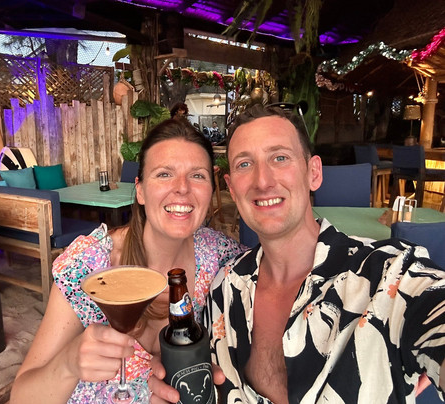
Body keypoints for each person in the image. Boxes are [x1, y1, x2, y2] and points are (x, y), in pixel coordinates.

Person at [150, 104, 445, 403]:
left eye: (280, 158)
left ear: (313, 173)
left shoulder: (389, 276)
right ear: (231, 189)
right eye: (244, 164)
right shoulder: (223, 291)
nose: (262, 181)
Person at [9, 118, 246, 403]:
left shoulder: (220, 255)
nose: (182, 188)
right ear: (141, 191)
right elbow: (21, 397)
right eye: (164, 174)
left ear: (212, 189)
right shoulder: (90, 265)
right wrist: (68, 364)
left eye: (197, 175)